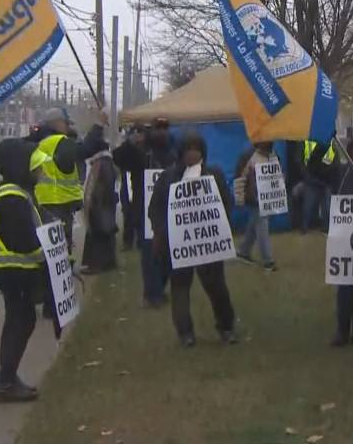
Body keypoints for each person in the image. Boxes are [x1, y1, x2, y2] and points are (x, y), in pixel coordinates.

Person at [149, 131, 239, 348]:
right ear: (180, 152)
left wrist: (220, 227)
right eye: (188, 149)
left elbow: (226, 203)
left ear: (203, 152)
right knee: (180, 289)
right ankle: (185, 333)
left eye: (196, 149)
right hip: (178, 245)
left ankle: (226, 327)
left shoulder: (213, 174)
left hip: (208, 243)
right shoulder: (168, 177)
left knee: (217, 287)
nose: (192, 154)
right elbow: (155, 209)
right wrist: (163, 232)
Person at [0, 139, 51, 403]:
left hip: (12, 271)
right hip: (14, 271)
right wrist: (48, 257)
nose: (39, 173)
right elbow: (26, 241)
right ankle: (5, 382)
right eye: (35, 168)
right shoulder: (12, 197)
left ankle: (8, 378)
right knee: (19, 322)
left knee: (21, 321)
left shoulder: (15, 191)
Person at [309, 128, 353, 349]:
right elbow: (313, 167)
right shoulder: (340, 172)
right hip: (344, 244)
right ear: (351, 147)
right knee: (345, 290)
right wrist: (323, 142)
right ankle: (342, 330)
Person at [113, 118, 177, 307]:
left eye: (165, 128)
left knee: (167, 254)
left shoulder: (171, 150)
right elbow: (118, 157)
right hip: (145, 209)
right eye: (158, 129)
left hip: (169, 207)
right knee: (150, 253)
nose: (162, 132)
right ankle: (152, 295)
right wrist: (131, 142)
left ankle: (158, 289)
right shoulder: (140, 152)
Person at [28, 107, 107, 253]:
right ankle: (62, 272)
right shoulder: (59, 142)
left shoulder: (40, 141)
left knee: (49, 247)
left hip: (43, 202)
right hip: (58, 204)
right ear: (57, 123)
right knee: (61, 247)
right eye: (66, 123)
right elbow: (85, 150)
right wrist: (98, 124)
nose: (68, 127)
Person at [236, 141, 280, 271]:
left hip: (268, 197)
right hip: (254, 199)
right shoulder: (249, 156)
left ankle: (243, 251)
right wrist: (240, 198)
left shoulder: (273, 156)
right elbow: (240, 177)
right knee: (262, 226)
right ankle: (268, 261)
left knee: (255, 224)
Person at [80, 138, 119, 274]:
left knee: (97, 234)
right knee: (107, 233)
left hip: (99, 205)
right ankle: (109, 263)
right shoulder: (108, 163)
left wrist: (91, 204)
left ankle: (96, 265)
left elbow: (94, 187)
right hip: (105, 204)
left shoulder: (100, 164)